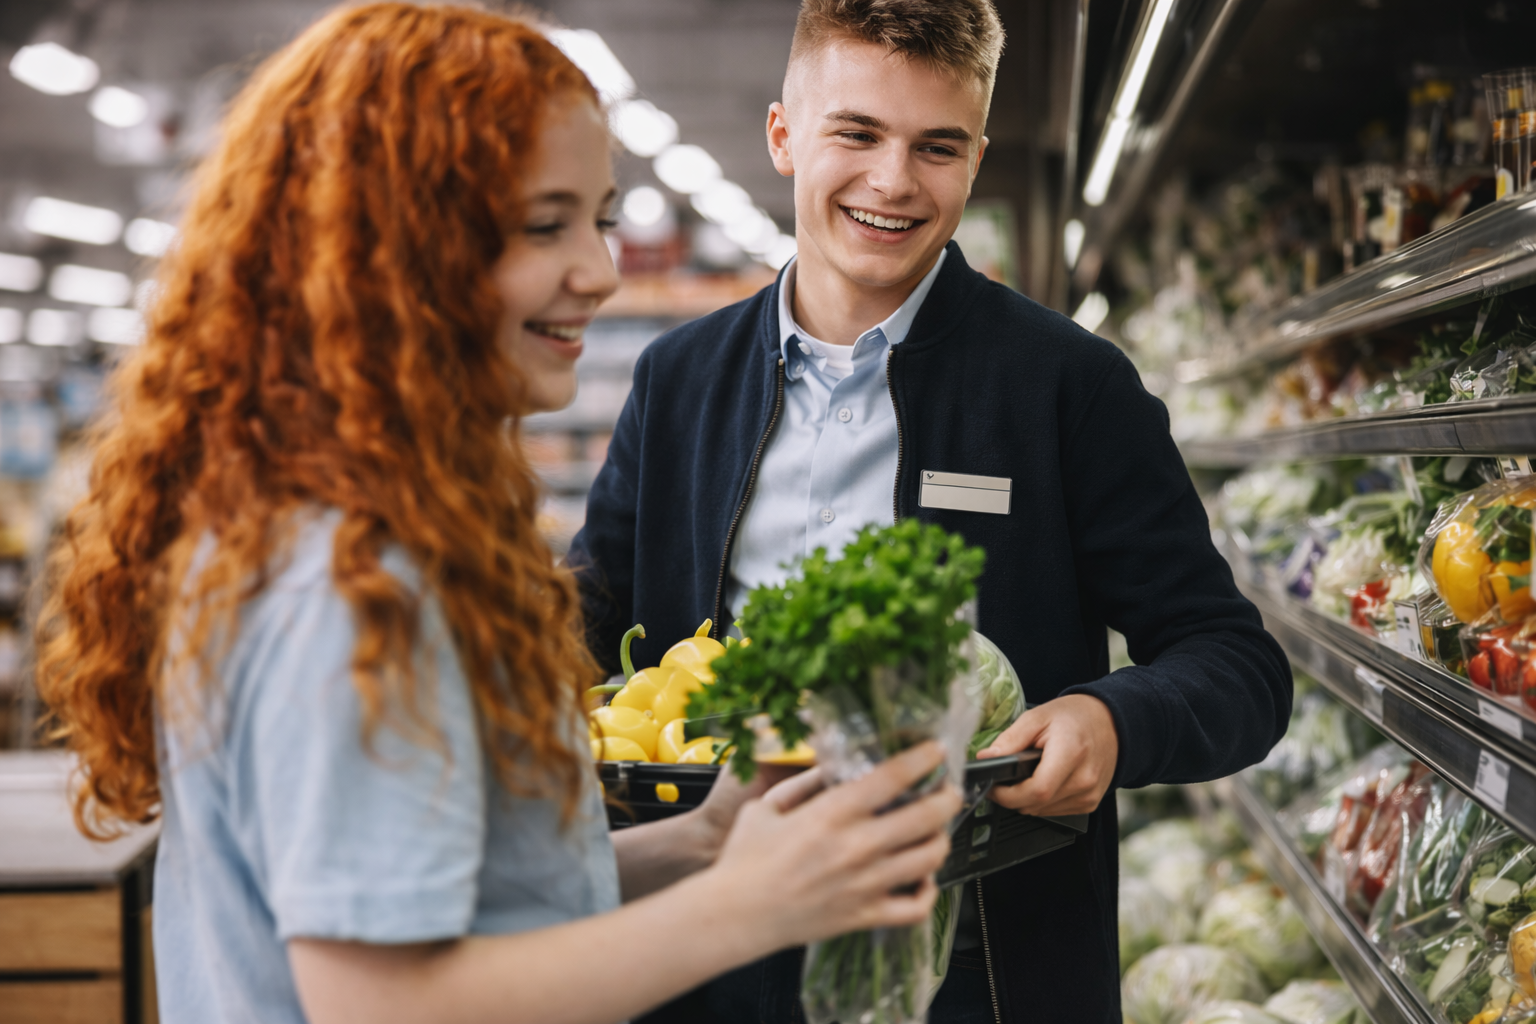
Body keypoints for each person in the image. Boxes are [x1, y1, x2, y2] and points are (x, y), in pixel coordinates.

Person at [33, 6, 962, 1024]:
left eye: (599, 219)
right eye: (542, 224)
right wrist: (753, 905)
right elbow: (380, 1001)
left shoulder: (352, 526)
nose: (601, 270)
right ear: (397, 241)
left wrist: (706, 842)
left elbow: (478, 904)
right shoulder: (343, 580)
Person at [567, 0, 1293, 1020]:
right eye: (856, 133)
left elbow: (1239, 665)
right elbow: (590, 619)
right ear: (785, 134)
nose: (893, 181)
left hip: (982, 966)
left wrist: (1113, 717)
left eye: (936, 146)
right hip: (713, 953)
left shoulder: (1068, 387)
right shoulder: (679, 379)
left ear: (978, 156)